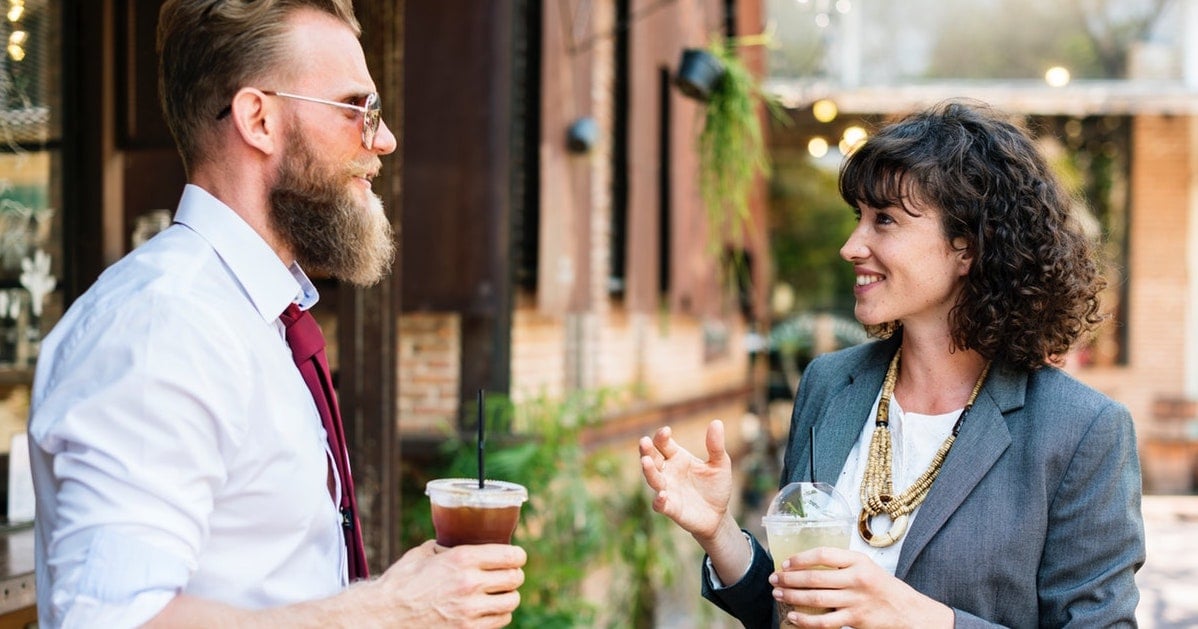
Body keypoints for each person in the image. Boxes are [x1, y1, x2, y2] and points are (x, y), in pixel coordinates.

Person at [28, 0, 525, 627]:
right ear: (258, 119)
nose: (385, 139)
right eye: (358, 108)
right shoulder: (163, 325)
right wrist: (388, 608)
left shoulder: (253, 314)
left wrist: (399, 600)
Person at [640, 100, 1144, 628]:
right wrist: (718, 530)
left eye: (885, 220)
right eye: (859, 218)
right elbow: (791, 609)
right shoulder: (829, 384)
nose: (851, 246)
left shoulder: (1083, 431)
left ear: (967, 246)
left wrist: (921, 617)